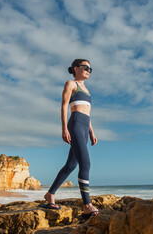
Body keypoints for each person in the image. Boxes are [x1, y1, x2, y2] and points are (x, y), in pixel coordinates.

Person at [40, 59, 99, 217]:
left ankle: (50, 194)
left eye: (90, 69)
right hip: (75, 126)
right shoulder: (71, 84)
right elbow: (64, 105)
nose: (88, 70)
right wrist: (64, 128)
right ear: (76, 68)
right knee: (85, 163)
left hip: (85, 127)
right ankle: (87, 204)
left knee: (71, 165)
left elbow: (88, 113)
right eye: (85, 67)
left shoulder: (87, 89)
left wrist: (91, 132)